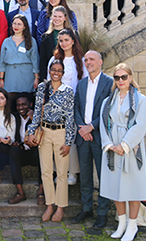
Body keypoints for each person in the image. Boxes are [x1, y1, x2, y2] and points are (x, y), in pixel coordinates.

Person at [100, 64, 146, 241]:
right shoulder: (108, 101)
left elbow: (140, 124)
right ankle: (121, 223)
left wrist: (125, 144)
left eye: (124, 77)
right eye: (117, 77)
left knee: (132, 187)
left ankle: (132, 224)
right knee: (116, 186)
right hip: (113, 147)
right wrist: (110, 145)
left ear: (130, 77)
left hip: (131, 147)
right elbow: (103, 124)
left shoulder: (140, 99)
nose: (120, 81)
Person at [27, 60, 75, 223]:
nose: (56, 72)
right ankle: (49, 204)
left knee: (61, 173)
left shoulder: (68, 91)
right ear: (49, 71)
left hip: (61, 132)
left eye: (59, 70)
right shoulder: (42, 88)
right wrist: (31, 131)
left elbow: (70, 117)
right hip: (45, 133)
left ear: (63, 73)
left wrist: (68, 141)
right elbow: (37, 113)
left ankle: (60, 207)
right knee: (46, 172)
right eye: (53, 69)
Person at [71, 52, 113, 233]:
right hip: (83, 136)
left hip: (100, 136)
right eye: (86, 60)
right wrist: (82, 127)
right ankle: (87, 209)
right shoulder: (81, 84)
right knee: (86, 176)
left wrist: (91, 127)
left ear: (100, 62)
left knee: (103, 176)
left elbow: (110, 108)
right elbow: (76, 107)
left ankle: (102, 213)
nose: (88, 63)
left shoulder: (109, 83)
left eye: (91, 60)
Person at [48, 29, 88, 185]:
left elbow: (83, 83)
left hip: (74, 104)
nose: (63, 43)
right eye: (61, 40)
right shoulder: (54, 59)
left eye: (66, 40)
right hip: (57, 105)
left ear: (73, 41)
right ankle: (60, 170)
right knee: (57, 138)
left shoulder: (81, 61)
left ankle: (72, 172)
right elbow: (49, 81)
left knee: (70, 138)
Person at [8, 93, 44, 205]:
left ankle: (41, 193)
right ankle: (20, 192)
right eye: (18, 105)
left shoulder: (38, 116)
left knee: (43, 153)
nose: (21, 107)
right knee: (13, 152)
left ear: (31, 104)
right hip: (22, 152)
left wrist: (34, 119)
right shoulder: (14, 118)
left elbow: (45, 132)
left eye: (24, 104)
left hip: (35, 152)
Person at [0, 15, 39, 98]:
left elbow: (35, 60)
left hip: (26, 75)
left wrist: (36, 77)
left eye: (19, 24)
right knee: (10, 100)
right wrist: (1, 79)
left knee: (25, 101)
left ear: (24, 26)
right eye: (14, 23)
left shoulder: (31, 41)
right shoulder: (6, 41)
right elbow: (2, 62)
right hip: (10, 76)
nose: (16, 26)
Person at [39, 6, 73, 76]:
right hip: (52, 73)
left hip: (70, 71)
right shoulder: (45, 37)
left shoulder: (73, 34)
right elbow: (43, 61)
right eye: (55, 16)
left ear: (65, 18)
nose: (57, 19)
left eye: (60, 17)